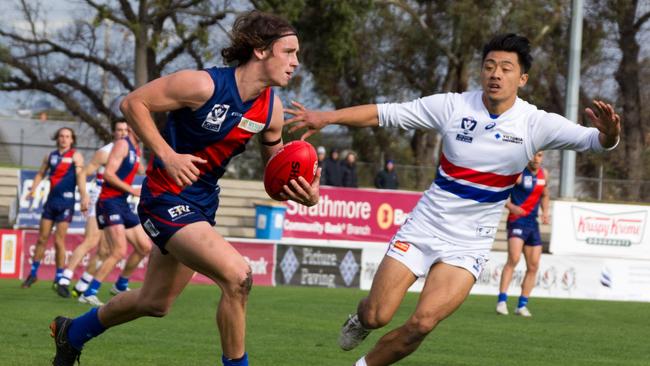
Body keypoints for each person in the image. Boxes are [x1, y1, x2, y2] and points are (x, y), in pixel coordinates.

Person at [286, 33, 620, 366]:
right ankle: (360, 320)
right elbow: (385, 113)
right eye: (489, 66)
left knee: (422, 324)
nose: (496, 74)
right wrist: (327, 116)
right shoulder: (453, 106)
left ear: (522, 78)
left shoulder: (535, 123)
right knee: (377, 315)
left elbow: (594, 140)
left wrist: (610, 133)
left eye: (506, 68)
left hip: (469, 244)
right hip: (423, 227)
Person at [50, 11, 319, 366]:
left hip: (202, 204)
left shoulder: (272, 110)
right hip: (164, 196)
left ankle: (72, 332)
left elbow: (275, 173)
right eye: (288, 52)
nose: (295, 63)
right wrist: (167, 154)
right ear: (259, 50)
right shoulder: (203, 85)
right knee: (238, 278)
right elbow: (133, 103)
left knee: (154, 303)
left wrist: (302, 188)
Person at [56, 121, 146, 299]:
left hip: (121, 201)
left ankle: (83, 286)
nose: (122, 133)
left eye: (124, 129)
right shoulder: (106, 152)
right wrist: (84, 195)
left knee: (108, 250)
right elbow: (84, 173)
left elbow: (141, 170)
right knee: (93, 241)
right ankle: (65, 280)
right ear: (114, 132)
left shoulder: (133, 150)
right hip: (102, 199)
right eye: (119, 130)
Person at [76, 126, 152, 306]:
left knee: (144, 247)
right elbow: (108, 174)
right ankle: (88, 292)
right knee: (118, 251)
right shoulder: (122, 145)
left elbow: (140, 170)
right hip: (109, 202)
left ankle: (120, 284)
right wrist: (132, 190)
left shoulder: (136, 148)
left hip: (122, 203)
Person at [21, 127, 89, 289]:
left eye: (67, 136)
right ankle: (33, 274)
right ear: (57, 138)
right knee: (42, 239)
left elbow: (80, 177)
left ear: (72, 140)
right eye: (61, 136)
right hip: (51, 203)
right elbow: (40, 173)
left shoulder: (76, 156)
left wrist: (84, 195)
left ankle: (59, 277)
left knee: (59, 241)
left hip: (66, 203)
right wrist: (33, 189)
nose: (64, 139)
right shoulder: (50, 156)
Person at [496, 151, 549, 317]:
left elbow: (545, 195)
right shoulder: (518, 173)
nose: (536, 158)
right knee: (514, 259)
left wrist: (545, 212)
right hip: (516, 221)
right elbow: (501, 193)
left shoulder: (544, 174)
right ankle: (502, 301)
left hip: (533, 223)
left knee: (533, 265)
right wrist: (511, 207)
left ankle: (522, 305)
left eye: (539, 155)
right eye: (534, 155)